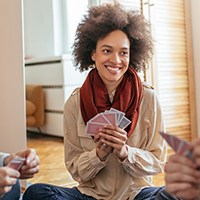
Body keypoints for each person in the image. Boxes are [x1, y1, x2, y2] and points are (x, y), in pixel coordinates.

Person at [23, 2, 167, 200]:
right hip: (91, 196)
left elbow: (158, 162)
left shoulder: (149, 98)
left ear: (131, 54)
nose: (116, 60)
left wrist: (126, 152)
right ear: (93, 53)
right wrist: (98, 154)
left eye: (123, 52)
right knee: (35, 193)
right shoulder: (75, 103)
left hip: (136, 195)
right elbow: (75, 169)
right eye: (107, 51)